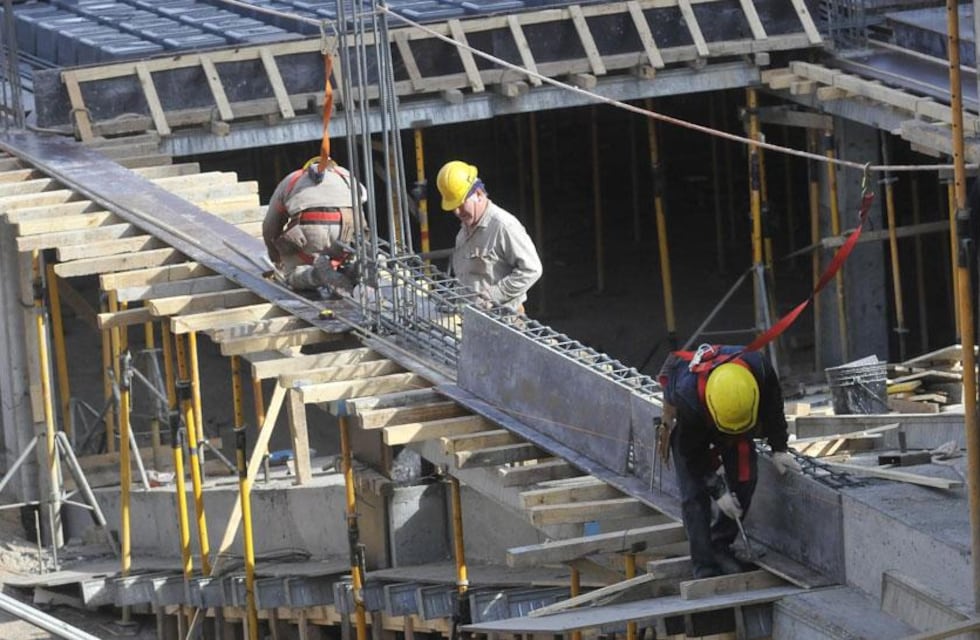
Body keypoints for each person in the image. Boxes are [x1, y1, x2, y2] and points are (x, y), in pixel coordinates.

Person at [658, 344, 800, 578]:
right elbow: (692, 455)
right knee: (694, 496)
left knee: (745, 476)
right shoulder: (687, 395)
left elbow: (774, 408)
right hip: (691, 423)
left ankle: (720, 544)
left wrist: (779, 448)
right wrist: (717, 489)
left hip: (733, 416)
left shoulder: (760, 370)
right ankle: (704, 566)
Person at [435, 160, 542, 313]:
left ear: (478, 194)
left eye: (461, 204)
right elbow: (468, 276)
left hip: (504, 321)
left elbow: (532, 269)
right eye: (453, 207)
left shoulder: (503, 226)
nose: (457, 212)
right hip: (474, 319)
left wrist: (492, 296)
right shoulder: (464, 230)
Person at [262, 156, 366, 295]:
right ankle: (354, 269)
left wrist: (276, 257)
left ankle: (316, 275)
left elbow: (270, 227)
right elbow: (360, 214)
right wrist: (361, 247)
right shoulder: (346, 176)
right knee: (347, 251)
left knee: (292, 274)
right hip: (345, 230)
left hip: (310, 230)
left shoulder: (292, 179)